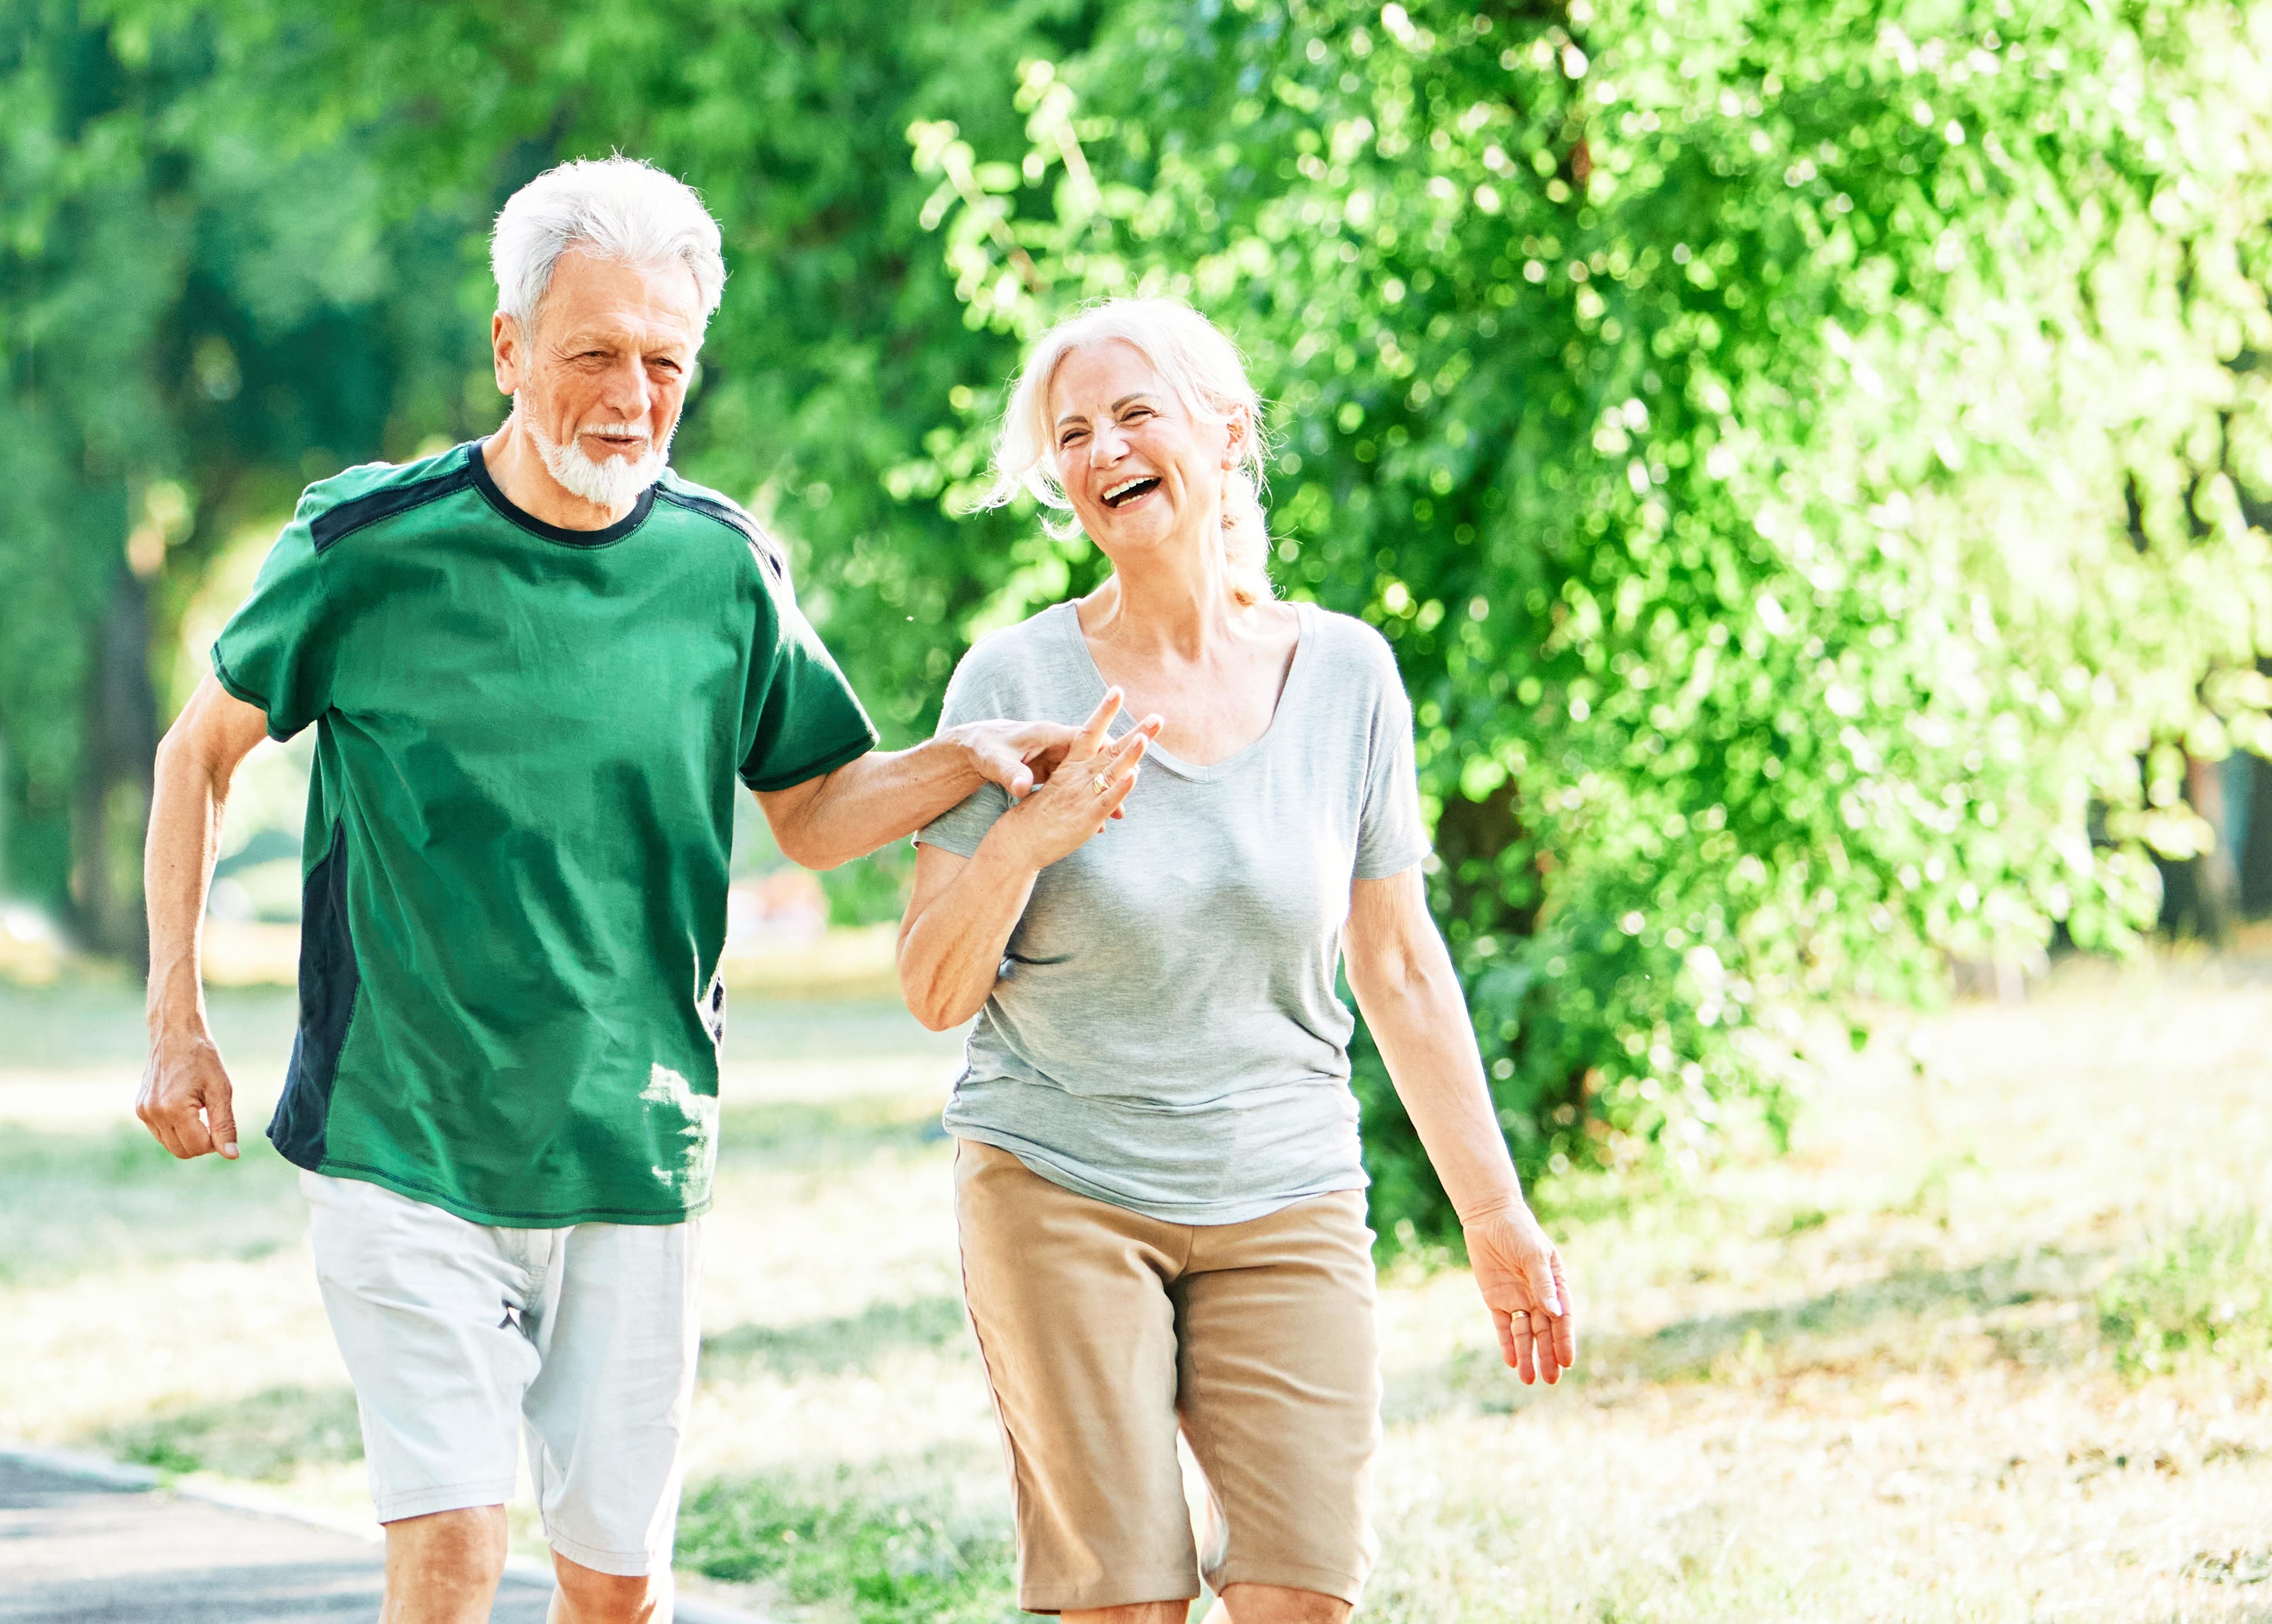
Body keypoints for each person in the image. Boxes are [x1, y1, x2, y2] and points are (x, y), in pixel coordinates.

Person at [135, 157, 1075, 1624]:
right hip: (406, 1143)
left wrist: (962, 761)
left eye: (664, 364)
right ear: (509, 349)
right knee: (449, 1554)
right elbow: (196, 758)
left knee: (617, 1592)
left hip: (631, 1147)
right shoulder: (364, 550)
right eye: (593, 355)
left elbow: (816, 811)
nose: (631, 399)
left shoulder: (723, 571)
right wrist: (176, 1020)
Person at [897, 299, 1577, 1624]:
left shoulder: (1347, 677)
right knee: (1127, 1603)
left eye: (1134, 415)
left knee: (1303, 1593)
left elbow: (1398, 965)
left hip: (1285, 1186)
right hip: (1060, 1182)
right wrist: (1026, 838)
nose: (1103, 454)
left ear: (1227, 434)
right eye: (1072, 434)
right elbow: (932, 986)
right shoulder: (1012, 677)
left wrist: (1497, 1223)